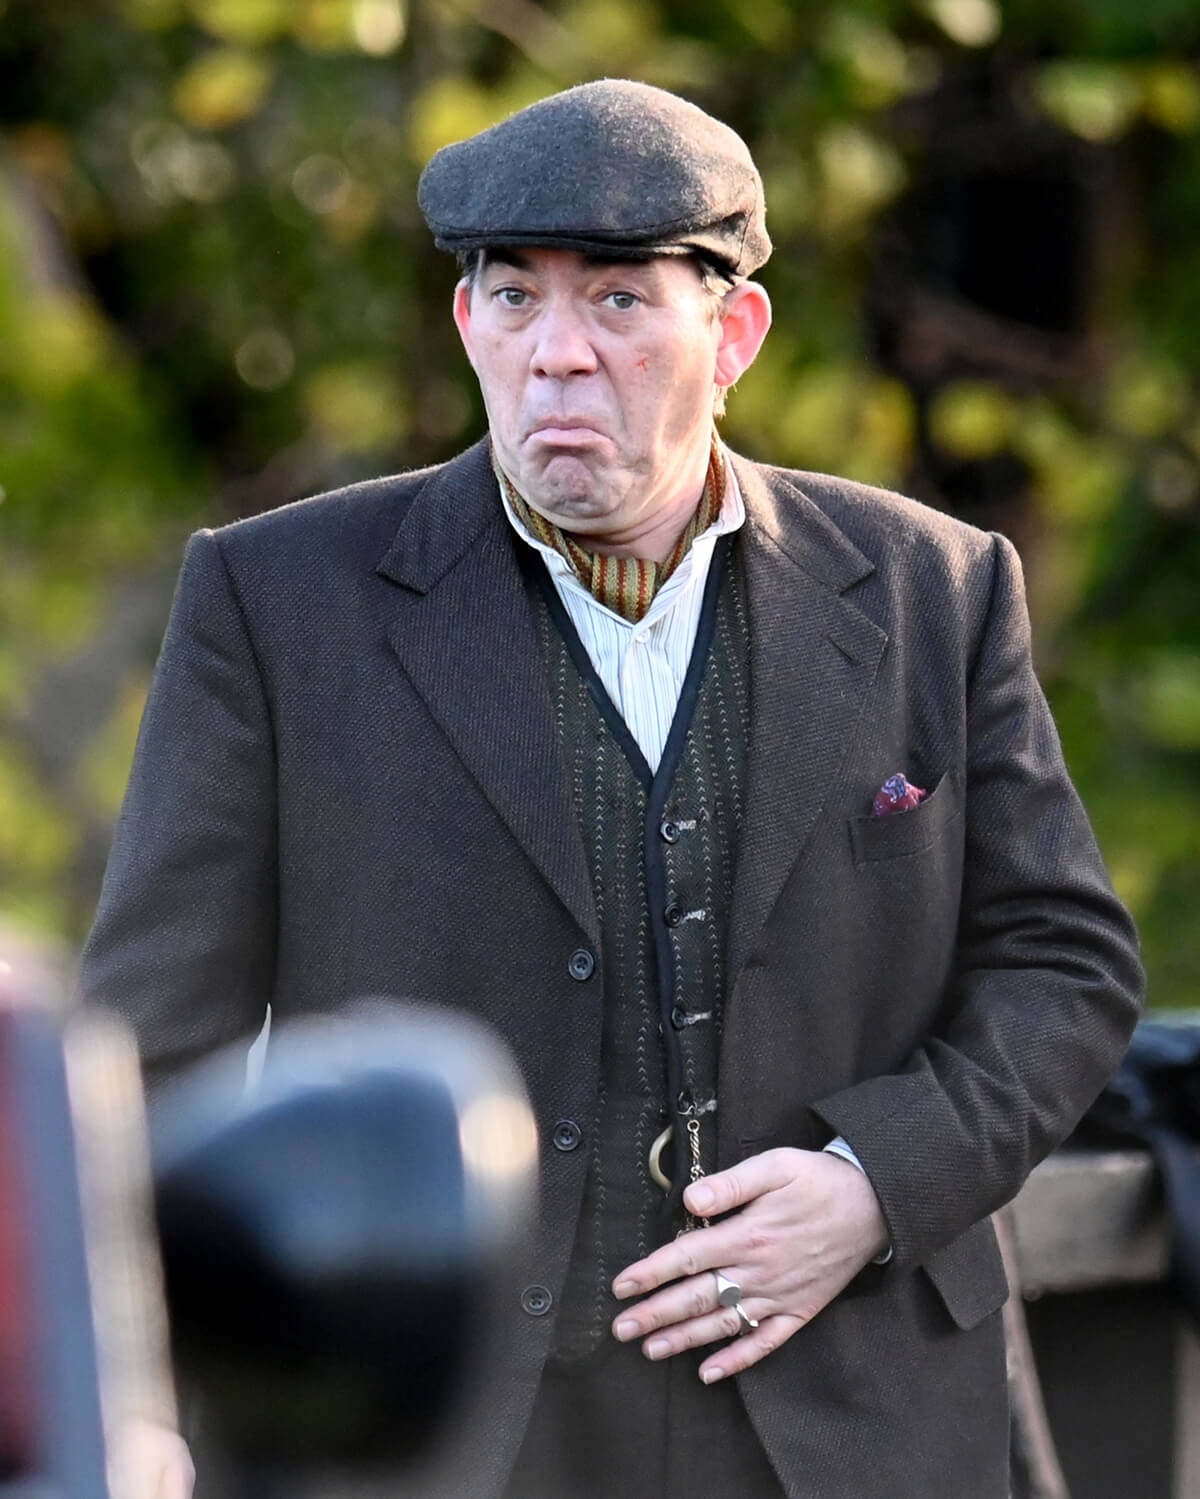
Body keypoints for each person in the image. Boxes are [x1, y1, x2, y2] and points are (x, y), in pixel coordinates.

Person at [80, 79, 1144, 1499]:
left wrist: (874, 1184)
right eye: (514, 299)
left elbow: (1065, 966)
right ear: (468, 326)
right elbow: (154, 1059)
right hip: (447, 1436)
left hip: (851, 1418)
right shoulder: (276, 605)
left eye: (621, 303)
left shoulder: (934, 588)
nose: (557, 356)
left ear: (735, 332)